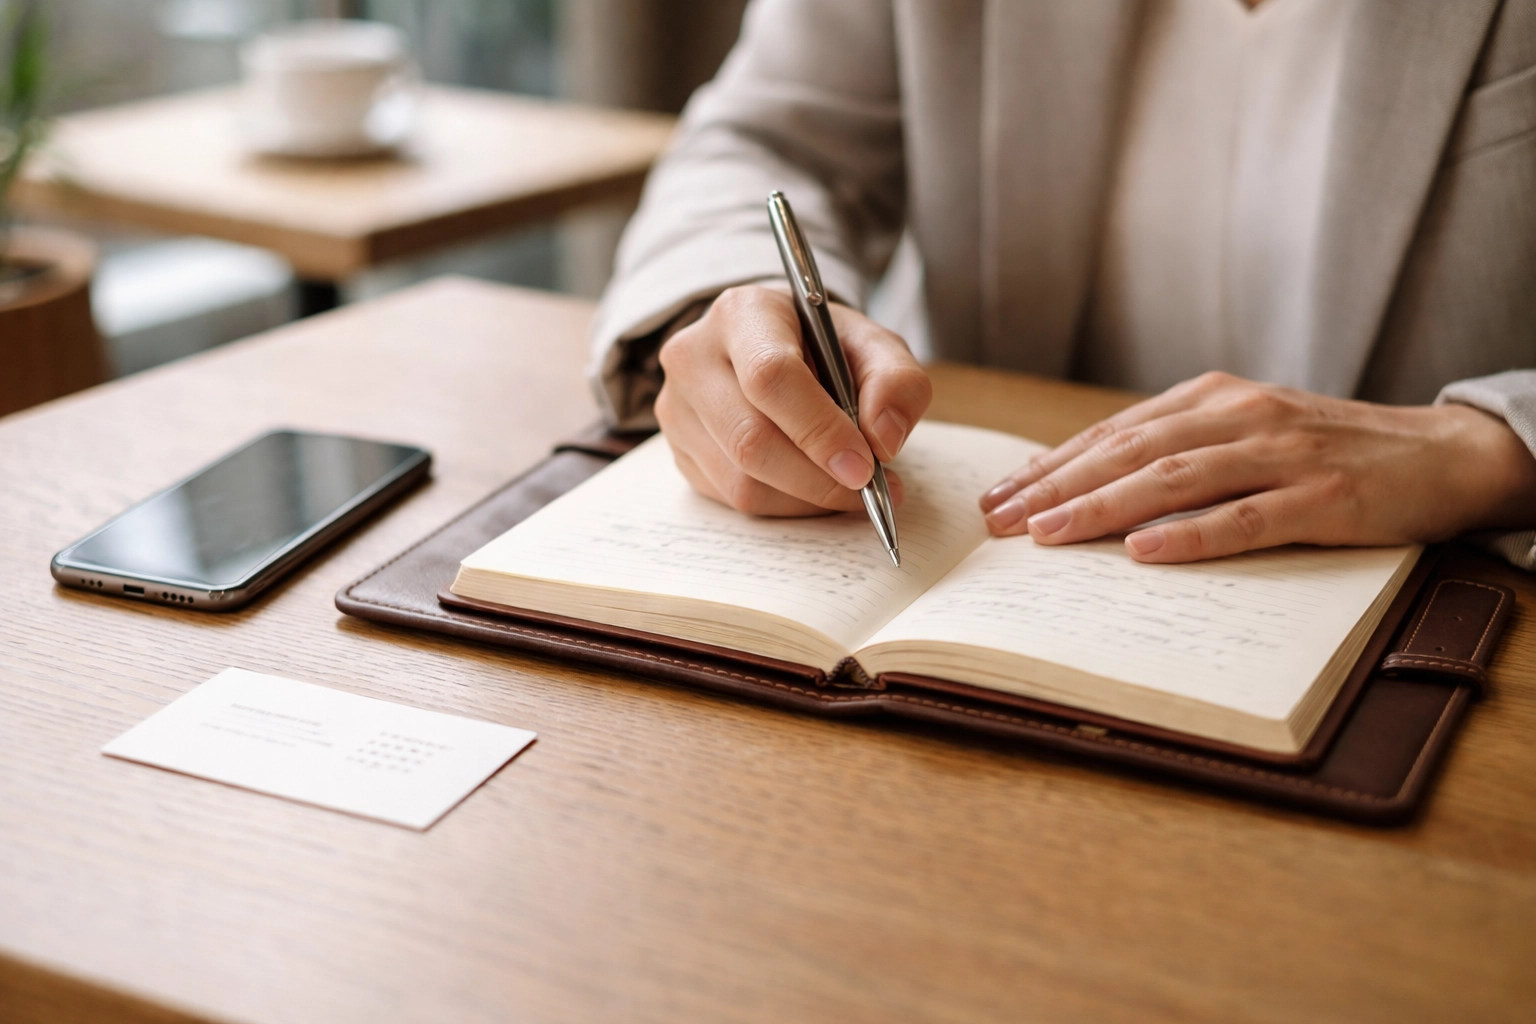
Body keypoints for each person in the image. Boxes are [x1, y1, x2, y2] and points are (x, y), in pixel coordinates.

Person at [587, 0, 1536, 568]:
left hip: (1455, 600)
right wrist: (748, 322)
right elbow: (765, 140)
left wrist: (1484, 451)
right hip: (999, 558)